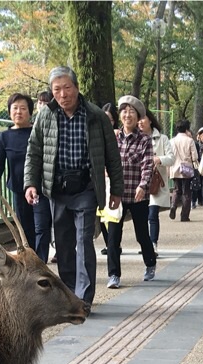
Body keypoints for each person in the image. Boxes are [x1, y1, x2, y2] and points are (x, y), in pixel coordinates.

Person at [24, 65, 122, 316]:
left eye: (67, 88)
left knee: (83, 241)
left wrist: (116, 191)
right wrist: (31, 183)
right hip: (57, 189)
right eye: (57, 89)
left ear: (77, 88)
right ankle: (68, 295)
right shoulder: (45, 116)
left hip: (86, 188)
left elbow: (112, 155)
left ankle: (84, 297)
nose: (63, 94)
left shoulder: (95, 115)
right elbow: (33, 151)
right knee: (64, 244)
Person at [103, 95, 157, 289]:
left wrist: (143, 185)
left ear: (138, 116)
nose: (128, 115)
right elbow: (104, 160)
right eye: (124, 111)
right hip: (116, 194)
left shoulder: (144, 140)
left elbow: (147, 165)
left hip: (136, 194)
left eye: (132, 112)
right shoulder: (112, 137)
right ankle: (114, 274)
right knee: (113, 236)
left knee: (141, 233)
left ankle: (150, 263)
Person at [0, 92, 50, 261]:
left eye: (23, 108)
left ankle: (41, 261)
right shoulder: (5, 137)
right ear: (9, 111)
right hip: (18, 188)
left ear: (30, 112)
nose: (19, 112)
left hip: (41, 189)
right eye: (15, 108)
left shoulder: (38, 133)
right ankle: (30, 262)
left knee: (42, 226)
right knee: (25, 228)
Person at [139, 111, 172, 249]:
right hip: (138, 182)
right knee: (141, 215)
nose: (140, 122)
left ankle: (153, 244)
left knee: (152, 214)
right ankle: (145, 244)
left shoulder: (162, 139)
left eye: (143, 118)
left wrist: (159, 159)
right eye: (138, 119)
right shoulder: (135, 137)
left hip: (155, 183)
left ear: (150, 120)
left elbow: (171, 158)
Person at [169, 119, 199, 222]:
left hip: (174, 168)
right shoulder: (190, 140)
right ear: (187, 129)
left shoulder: (171, 141)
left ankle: (173, 206)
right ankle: (184, 215)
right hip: (186, 169)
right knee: (186, 192)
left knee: (177, 189)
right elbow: (195, 156)